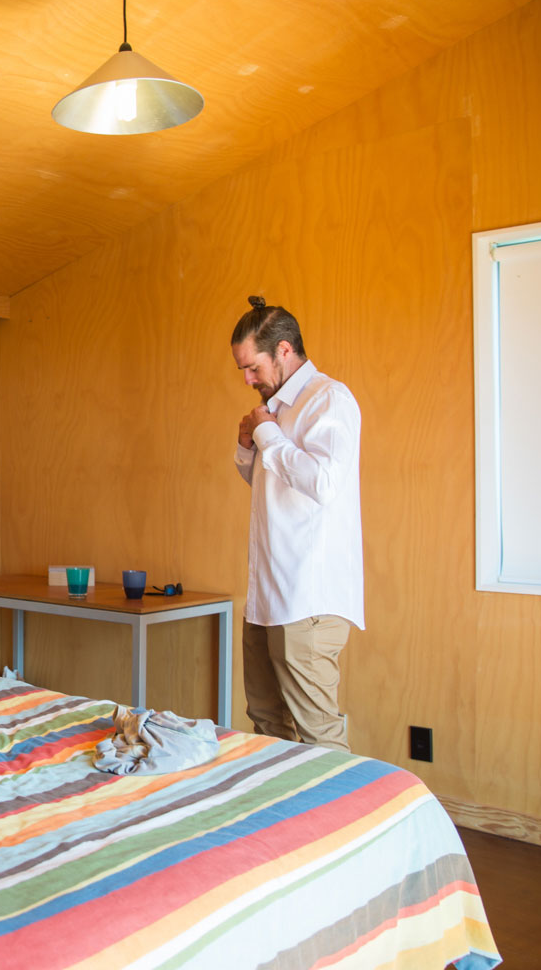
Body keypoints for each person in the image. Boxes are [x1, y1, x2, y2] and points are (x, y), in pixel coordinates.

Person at [231, 297, 363, 752]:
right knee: (267, 726)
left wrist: (267, 433)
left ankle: (343, 823)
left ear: (284, 350)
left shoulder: (329, 399)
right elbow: (272, 489)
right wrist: (249, 446)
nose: (248, 380)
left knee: (318, 735)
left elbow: (323, 483)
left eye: (253, 368)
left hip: (307, 599)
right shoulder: (275, 407)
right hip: (267, 596)